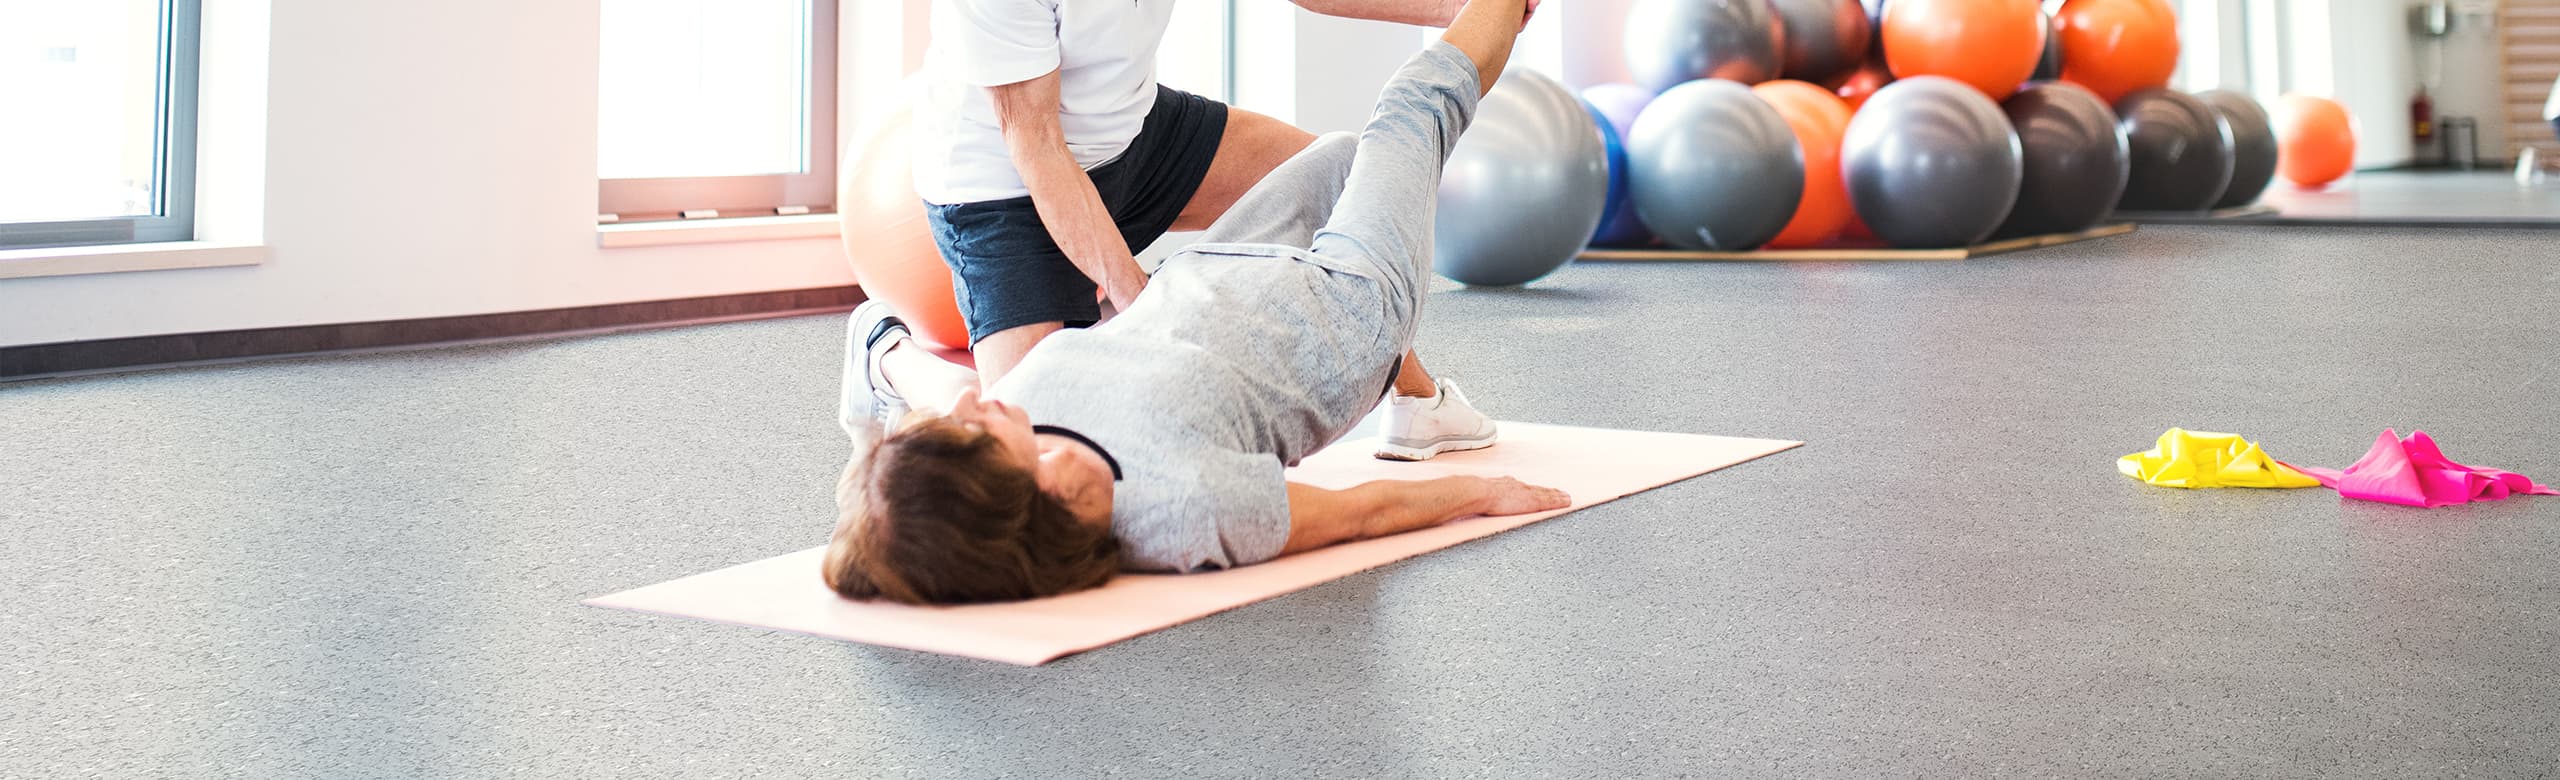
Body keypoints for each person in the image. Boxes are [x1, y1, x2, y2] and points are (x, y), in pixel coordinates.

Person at [826, 0, 1561, 605]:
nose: (971, 418)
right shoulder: (1185, 510)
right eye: (977, 442)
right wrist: (1479, 494)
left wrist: (1448, 5)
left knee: (1337, 157)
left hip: (1159, 192)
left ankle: (883, 356)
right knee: (1403, 113)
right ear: (1015, 488)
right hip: (1012, 191)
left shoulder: (1027, 407)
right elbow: (1359, 513)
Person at [897, 0, 1525, 461]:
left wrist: (1455, 9)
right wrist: (1148, 312)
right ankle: (889, 359)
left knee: (1344, 179)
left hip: (1134, 134)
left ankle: (1415, 404)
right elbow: (1035, 145)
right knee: (1033, 452)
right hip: (1006, 190)